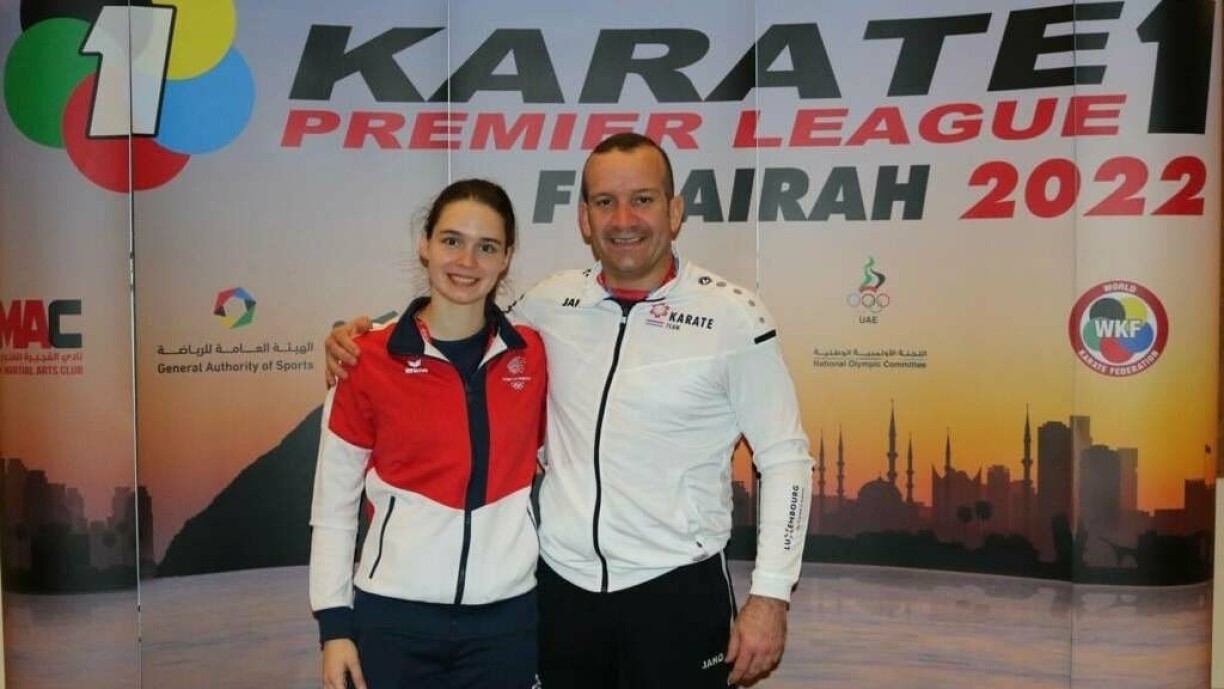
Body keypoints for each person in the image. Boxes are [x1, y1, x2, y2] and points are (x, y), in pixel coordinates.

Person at [326, 133, 812, 688]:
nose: (623, 219)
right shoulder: (549, 302)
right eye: (605, 201)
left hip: (678, 592)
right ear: (584, 218)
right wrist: (364, 337)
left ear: (675, 211)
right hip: (563, 593)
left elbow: (786, 459)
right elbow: (457, 318)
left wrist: (771, 594)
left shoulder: (734, 317)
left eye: (643, 199)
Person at [310, 179, 546, 689]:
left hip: (506, 623)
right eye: (451, 240)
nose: (467, 261)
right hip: (393, 622)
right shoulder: (365, 358)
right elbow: (333, 507)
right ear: (425, 244)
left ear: (507, 258)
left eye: (487, 247)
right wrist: (334, 627)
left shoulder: (533, 355)